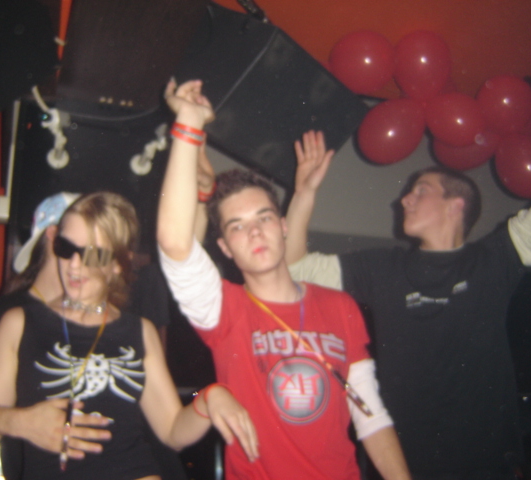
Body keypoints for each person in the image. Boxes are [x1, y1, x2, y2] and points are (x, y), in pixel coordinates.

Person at [284, 27, 531, 480]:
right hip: (402, 466)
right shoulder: (383, 269)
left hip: (485, 465)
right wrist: (304, 194)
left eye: (420, 190)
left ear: (456, 205)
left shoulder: (495, 260)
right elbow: (295, 269)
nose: (404, 199)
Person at [157, 78, 411, 479]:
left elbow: (371, 415)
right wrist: (189, 123)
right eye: (238, 227)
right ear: (224, 247)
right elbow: (175, 243)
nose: (255, 232)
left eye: (263, 218)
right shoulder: (223, 309)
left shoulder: (339, 306)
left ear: (283, 226)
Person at [0, 191, 259, 479]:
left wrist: (209, 398)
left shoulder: (139, 331)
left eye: (92, 255)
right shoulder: (19, 323)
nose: (74, 265)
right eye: (66, 247)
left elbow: (172, 430)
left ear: (117, 264)